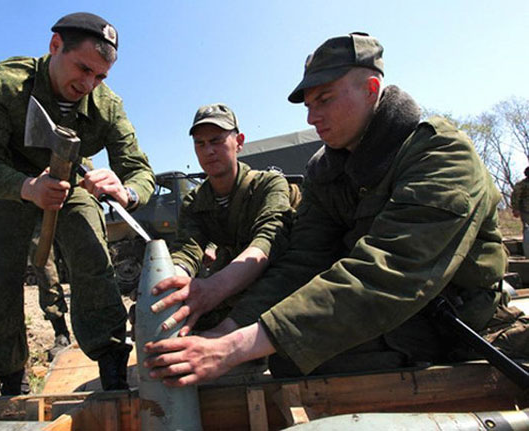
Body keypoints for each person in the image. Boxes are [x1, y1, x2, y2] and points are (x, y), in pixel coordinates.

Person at [143, 32, 526, 386]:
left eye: (324, 99)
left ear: (371, 89)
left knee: (308, 359)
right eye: (308, 106)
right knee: (291, 360)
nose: (312, 117)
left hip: (459, 320)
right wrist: (230, 328)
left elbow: (391, 270)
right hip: (381, 316)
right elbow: (300, 263)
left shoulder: (440, 153)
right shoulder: (326, 172)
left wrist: (236, 345)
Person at [0, 12, 155, 394]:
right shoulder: (3, 85)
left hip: (73, 183)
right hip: (10, 185)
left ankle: (111, 360)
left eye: (99, 77)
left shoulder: (107, 105)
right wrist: (28, 187)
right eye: (82, 68)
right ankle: (11, 376)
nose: (88, 84)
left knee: (93, 253)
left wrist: (125, 190)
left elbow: (138, 170)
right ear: (55, 47)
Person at [150, 103, 294, 336]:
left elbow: (268, 241)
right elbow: (188, 248)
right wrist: (171, 282)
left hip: (272, 279)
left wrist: (212, 288)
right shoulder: (195, 201)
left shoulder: (268, 185)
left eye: (216, 140)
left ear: (239, 142)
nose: (208, 151)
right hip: (231, 286)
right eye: (200, 143)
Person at [28, 235, 71, 361]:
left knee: (86, 265)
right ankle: (61, 332)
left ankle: (95, 333)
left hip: (71, 216)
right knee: (45, 270)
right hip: (38, 220)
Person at [510, 167, 529, 257]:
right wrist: (516, 209)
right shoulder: (521, 185)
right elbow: (515, 197)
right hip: (526, 211)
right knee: (527, 230)